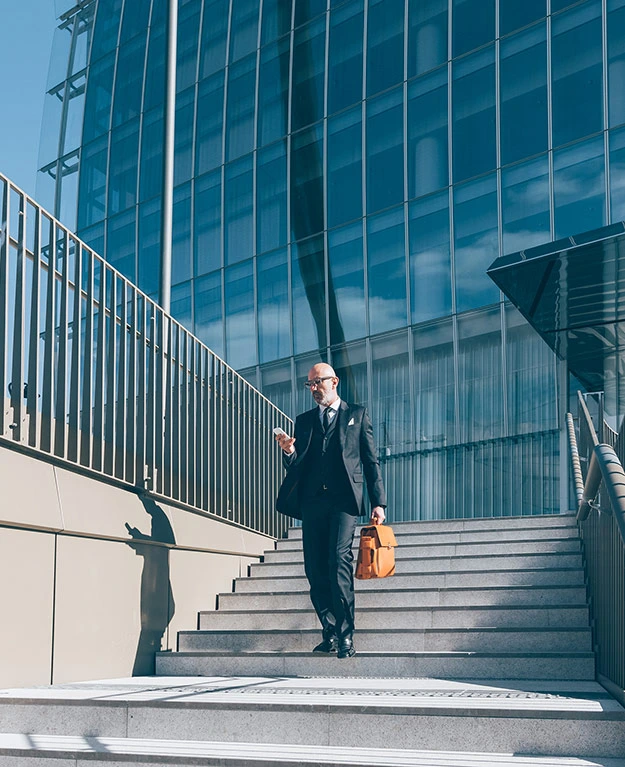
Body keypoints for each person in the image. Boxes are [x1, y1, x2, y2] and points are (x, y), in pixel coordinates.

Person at [275, 363, 386, 658]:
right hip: (313, 502)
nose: (313, 389)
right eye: (309, 384)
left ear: (334, 381)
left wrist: (378, 502)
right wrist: (289, 451)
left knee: (338, 561)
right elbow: (300, 464)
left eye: (317, 383)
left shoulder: (357, 415)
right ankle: (330, 631)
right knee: (315, 568)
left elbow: (370, 460)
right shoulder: (305, 420)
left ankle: (346, 634)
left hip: (344, 502)